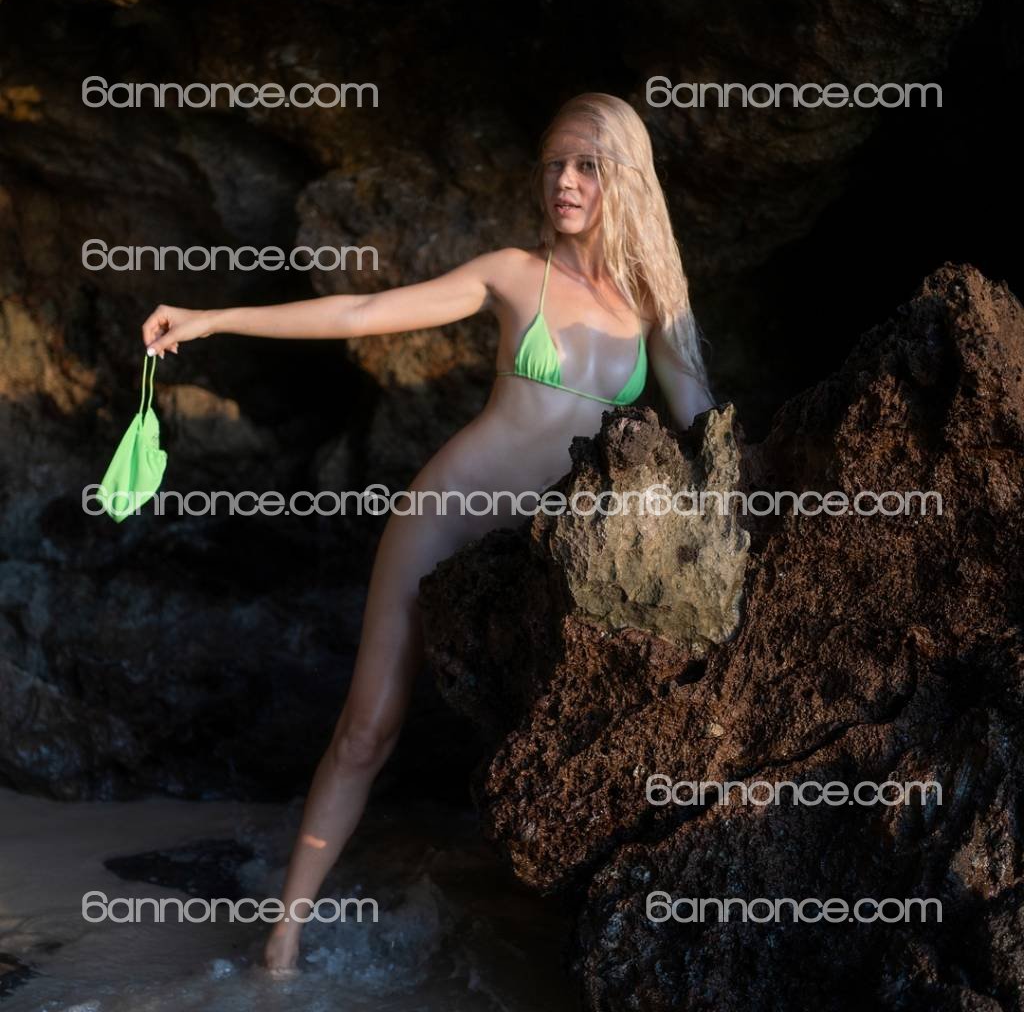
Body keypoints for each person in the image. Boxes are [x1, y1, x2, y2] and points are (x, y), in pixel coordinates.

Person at [141, 92, 716, 974]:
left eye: (587, 166)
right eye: (555, 164)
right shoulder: (515, 273)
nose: (564, 181)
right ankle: (283, 940)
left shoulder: (656, 304)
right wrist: (213, 319)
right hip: (447, 513)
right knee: (367, 729)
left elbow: (707, 429)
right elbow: (361, 312)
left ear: (626, 178)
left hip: (543, 556)